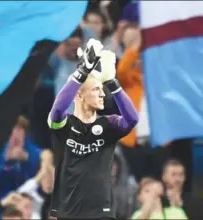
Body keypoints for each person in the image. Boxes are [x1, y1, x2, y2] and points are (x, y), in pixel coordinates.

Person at [47, 38, 138, 219]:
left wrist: (112, 82)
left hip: (101, 213)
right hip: (69, 212)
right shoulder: (64, 125)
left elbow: (132, 119)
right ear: (79, 94)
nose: (103, 93)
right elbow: (57, 110)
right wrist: (81, 73)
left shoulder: (108, 124)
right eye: (97, 89)